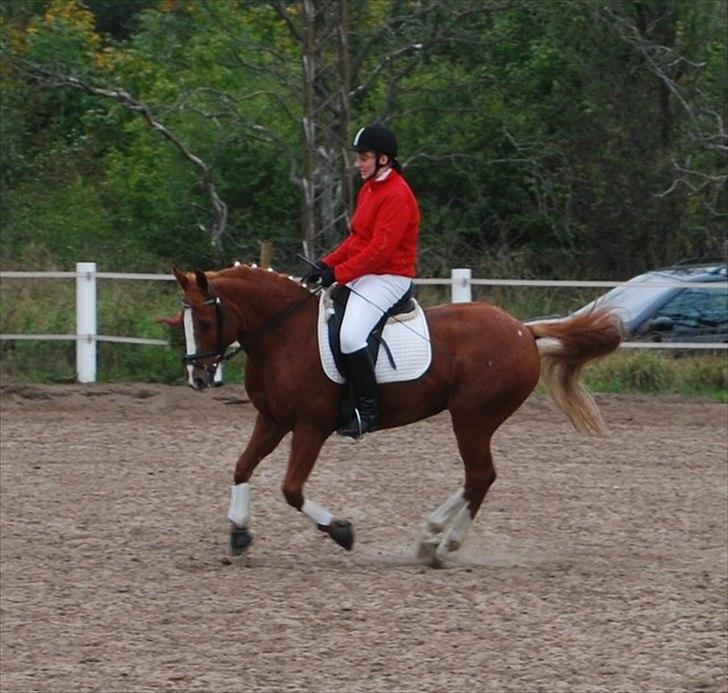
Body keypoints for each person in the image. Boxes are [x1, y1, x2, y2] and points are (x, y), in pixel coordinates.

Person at [303, 123, 421, 438]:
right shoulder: (370, 188)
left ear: (384, 159)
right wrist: (325, 264)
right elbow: (357, 241)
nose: (359, 163)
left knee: (351, 336)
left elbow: (379, 252)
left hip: (390, 277)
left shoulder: (396, 195)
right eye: (359, 157)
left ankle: (367, 410)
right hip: (370, 273)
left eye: (364, 157)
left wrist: (337, 274)